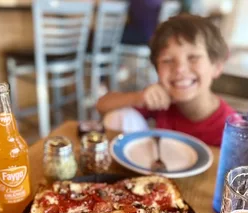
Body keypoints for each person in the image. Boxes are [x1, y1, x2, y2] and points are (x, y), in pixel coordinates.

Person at [96, 14, 235, 146]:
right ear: (157, 70)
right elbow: (102, 105)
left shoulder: (232, 129)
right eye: (167, 60)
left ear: (216, 67)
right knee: (118, 116)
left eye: (193, 58)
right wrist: (139, 97)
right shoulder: (162, 98)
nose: (180, 68)